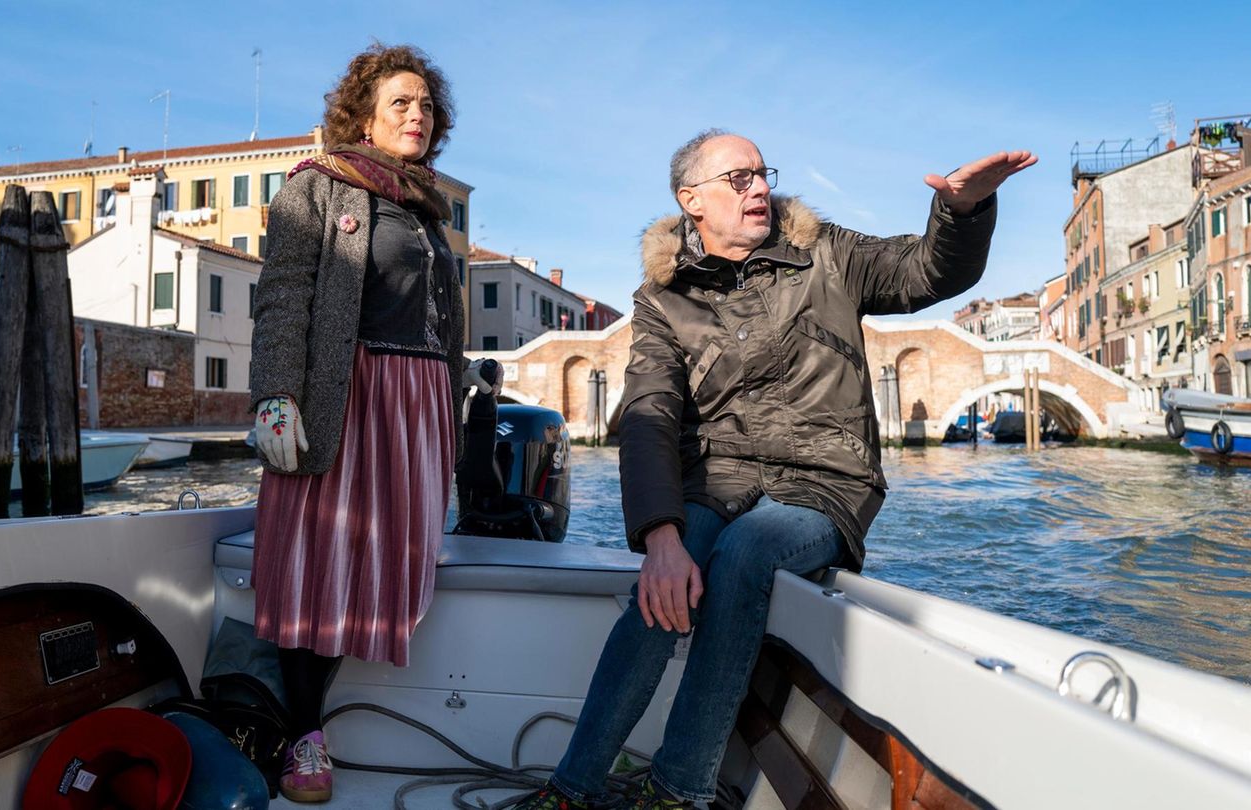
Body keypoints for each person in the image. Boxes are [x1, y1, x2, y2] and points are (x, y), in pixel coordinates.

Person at [516, 131, 1034, 809]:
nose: (759, 188)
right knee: (664, 580)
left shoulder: (827, 253)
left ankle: (679, 790)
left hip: (825, 480)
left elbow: (927, 273)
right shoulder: (662, 300)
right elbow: (650, 414)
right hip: (719, 479)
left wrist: (962, 213)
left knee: (746, 552)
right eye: (738, 179)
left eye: (762, 175)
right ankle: (573, 789)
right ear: (691, 200)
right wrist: (661, 538)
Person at [248, 43, 498, 804]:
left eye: (426, 105)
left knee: (386, 557)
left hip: (418, 400)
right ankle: (304, 737)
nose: (417, 115)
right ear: (362, 115)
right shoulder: (316, 187)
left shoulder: (425, 208)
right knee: (316, 558)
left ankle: (327, 717)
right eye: (401, 103)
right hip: (347, 393)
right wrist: (274, 395)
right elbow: (285, 294)